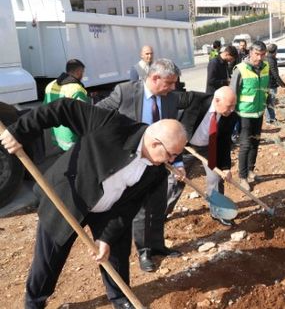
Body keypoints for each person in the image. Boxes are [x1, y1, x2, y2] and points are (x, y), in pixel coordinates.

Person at [0, 98, 187, 309]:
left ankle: (120, 298)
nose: (171, 161)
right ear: (154, 143)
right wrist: (20, 131)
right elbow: (62, 108)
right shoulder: (111, 124)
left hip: (110, 209)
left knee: (116, 254)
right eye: (170, 154)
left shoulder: (156, 169)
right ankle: (35, 301)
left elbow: (129, 206)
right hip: (68, 199)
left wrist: (106, 238)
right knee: (49, 259)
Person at [96, 58, 185, 273]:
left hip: (160, 161)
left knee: (158, 204)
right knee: (140, 209)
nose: (173, 88)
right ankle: (144, 250)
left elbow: (173, 133)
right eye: (169, 83)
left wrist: (179, 161)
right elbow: (97, 114)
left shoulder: (170, 100)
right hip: (133, 162)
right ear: (155, 78)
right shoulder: (125, 92)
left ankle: (157, 244)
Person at [180, 87, 238, 226]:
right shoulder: (194, 100)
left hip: (208, 149)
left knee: (215, 178)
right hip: (185, 147)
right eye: (229, 106)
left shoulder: (230, 116)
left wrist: (225, 167)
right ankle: (163, 212)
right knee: (175, 180)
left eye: (234, 106)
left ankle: (218, 212)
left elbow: (224, 143)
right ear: (216, 100)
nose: (231, 110)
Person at [230, 41, 269, 191]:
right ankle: (242, 177)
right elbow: (232, 92)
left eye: (262, 55)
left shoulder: (265, 67)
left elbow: (265, 88)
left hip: (259, 112)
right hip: (244, 114)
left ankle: (251, 171)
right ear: (250, 53)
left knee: (255, 143)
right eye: (257, 54)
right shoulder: (240, 69)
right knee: (245, 145)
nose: (259, 58)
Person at [43, 59, 88, 151]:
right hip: (72, 137)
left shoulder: (50, 85)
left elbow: (45, 107)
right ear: (79, 71)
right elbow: (84, 116)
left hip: (57, 134)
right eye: (83, 72)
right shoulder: (77, 89)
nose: (83, 75)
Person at [265, 43, 285, 124]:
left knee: (269, 102)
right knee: (270, 103)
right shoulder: (270, 60)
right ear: (275, 51)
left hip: (267, 83)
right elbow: (274, 73)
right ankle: (270, 119)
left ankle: (271, 118)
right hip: (270, 84)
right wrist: (282, 84)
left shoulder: (268, 58)